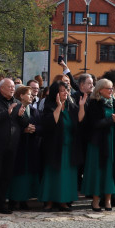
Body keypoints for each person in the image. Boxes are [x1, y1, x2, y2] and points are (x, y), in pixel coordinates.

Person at [0, 78, 29, 216]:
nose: (12, 89)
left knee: (6, 176)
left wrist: (21, 116)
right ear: (1, 88)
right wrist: (6, 113)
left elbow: (25, 122)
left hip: (11, 146)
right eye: (9, 86)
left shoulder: (17, 102)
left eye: (13, 87)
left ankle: (1, 204)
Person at [82, 79, 115, 211]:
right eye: (108, 88)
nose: (111, 91)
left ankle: (108, 199)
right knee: (97, 171)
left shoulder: (114, 103)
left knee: (110, 171)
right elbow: (93, 124)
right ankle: (95, 200)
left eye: (112, 88)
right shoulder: (94, 103)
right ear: (100, 90)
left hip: (112, 143)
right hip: (98, 143)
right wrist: (110, 120)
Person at [38, 78, 79, 212]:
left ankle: (64, 201)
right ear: (55, 93)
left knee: (67, 175)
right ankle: (49, 201)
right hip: (54, 145)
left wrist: (83, 106)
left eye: (66, 90)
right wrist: (58, 106)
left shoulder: (71, 106)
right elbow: (50, 123)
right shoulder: (49, 106)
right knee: (53, 174)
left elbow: (79, 122)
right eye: (61, 91)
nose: (65, 93)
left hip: (69, 145)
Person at [9, 84, 40, 209]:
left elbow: (41, 124)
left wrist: (34, 128)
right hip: (18, 146)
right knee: (17, 174)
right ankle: (13, 199)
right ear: (21, 95)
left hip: (30, 146)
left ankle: (24, 199)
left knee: (27, 174)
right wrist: (23, 130)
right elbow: (11, 125)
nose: (32, 96)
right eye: (28, 94)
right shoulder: (15, 109)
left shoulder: (34, 110)